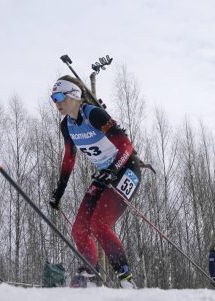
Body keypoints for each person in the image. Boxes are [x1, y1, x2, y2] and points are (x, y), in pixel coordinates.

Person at [47, 76, 142, 288]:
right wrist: (59, 191)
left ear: (73, 95)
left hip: (126, 168)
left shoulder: (94, 114)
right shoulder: (67, 126)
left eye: (60, 96)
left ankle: (126, 279)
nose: (56, 102)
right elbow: (69, 158)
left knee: (100, 224)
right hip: (105, 174)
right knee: (80, 228)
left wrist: (113, 169)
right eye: (53, 98)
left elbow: (126, 146)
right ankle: (90, 275)